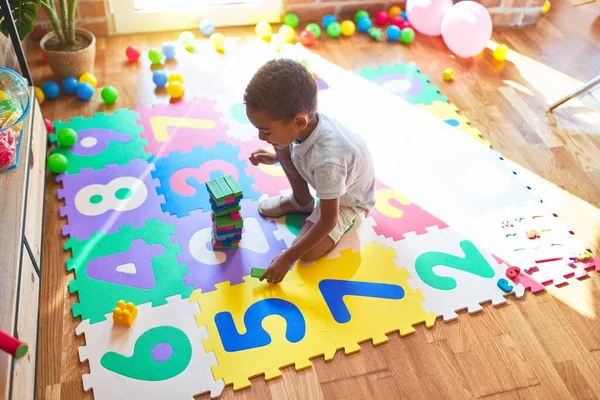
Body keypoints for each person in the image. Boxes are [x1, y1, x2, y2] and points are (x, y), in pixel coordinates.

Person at [244, 58, 376, 284]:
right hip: (326, 176)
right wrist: (277, 156)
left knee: (306, 253)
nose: (260, 138)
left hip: (346, 200)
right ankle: (301, 201)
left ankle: (350, 216)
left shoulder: (328, 161)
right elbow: (298, 148)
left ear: (299, 121)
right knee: (282, 145)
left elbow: (328, 220)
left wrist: (287, 258)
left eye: (265, 131)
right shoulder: (304, 127)